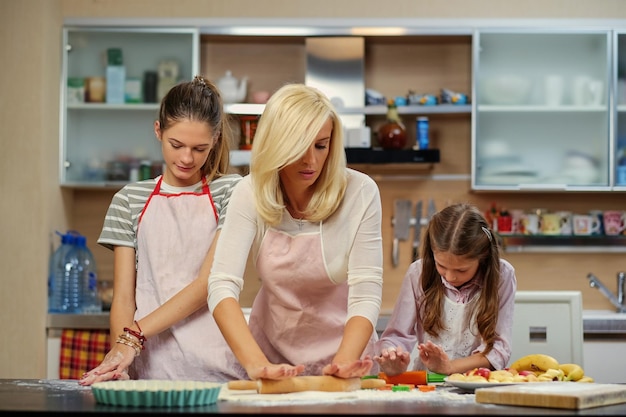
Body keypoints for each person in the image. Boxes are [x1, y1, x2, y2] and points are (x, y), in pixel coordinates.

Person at [207, 83, 384, 381]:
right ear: (277, 143)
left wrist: (342, 365)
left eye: (321, 145)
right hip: (272, 360)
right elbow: (221, 285)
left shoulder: (361, 192)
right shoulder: (248, 192)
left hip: (348, 357)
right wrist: (256, 364)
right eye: (300, 145)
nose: (311, 161)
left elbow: (366, 292)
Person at [79, 75, 242, 385]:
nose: (186, 158)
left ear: (216, 140)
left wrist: (133, 335)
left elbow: (208, 282)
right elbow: (124, 298)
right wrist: (120, 361)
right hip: (150, 370)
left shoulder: (231, 192)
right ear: (158, 130)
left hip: (216, 370)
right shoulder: (128, 200)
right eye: (176, 144)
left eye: (199, 148)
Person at [374, 203, 517, 376]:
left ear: (483, 257)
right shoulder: (418, 273)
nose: (450, 277)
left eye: (461, 270)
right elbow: (396, 335)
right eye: (441, 265)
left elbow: (498, 349)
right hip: (425, 384)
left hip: (475, 382)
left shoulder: (502, 274)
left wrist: (448, 367)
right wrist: (392, 355)